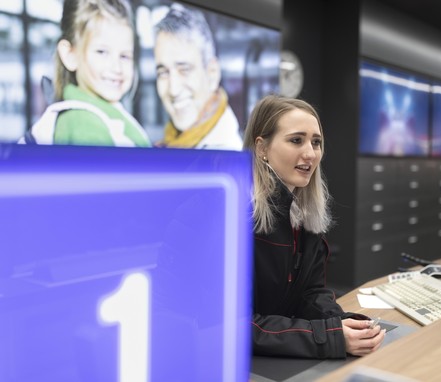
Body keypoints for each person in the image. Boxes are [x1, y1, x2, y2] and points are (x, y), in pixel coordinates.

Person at [244, 94, 386, 358]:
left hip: (275, 353)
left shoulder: (302, 213)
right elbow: (237, 325)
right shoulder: (235, 216)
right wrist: (328, 338)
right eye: (296, 140)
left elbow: (309, 293)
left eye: (316, 142)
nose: (310, 153)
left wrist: (344, 324)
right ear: (261, 148)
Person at [23, 0, 151, 147]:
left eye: (124, 56)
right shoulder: (84, 125)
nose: (117, 68)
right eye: (102, 52)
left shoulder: (98, 115)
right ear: (70, 55)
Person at [153, 3, 242, 150]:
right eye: (163, 73)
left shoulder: (225, 157)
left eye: (184, 70)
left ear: (212, 74)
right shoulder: (172, 140)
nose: (173, 90)